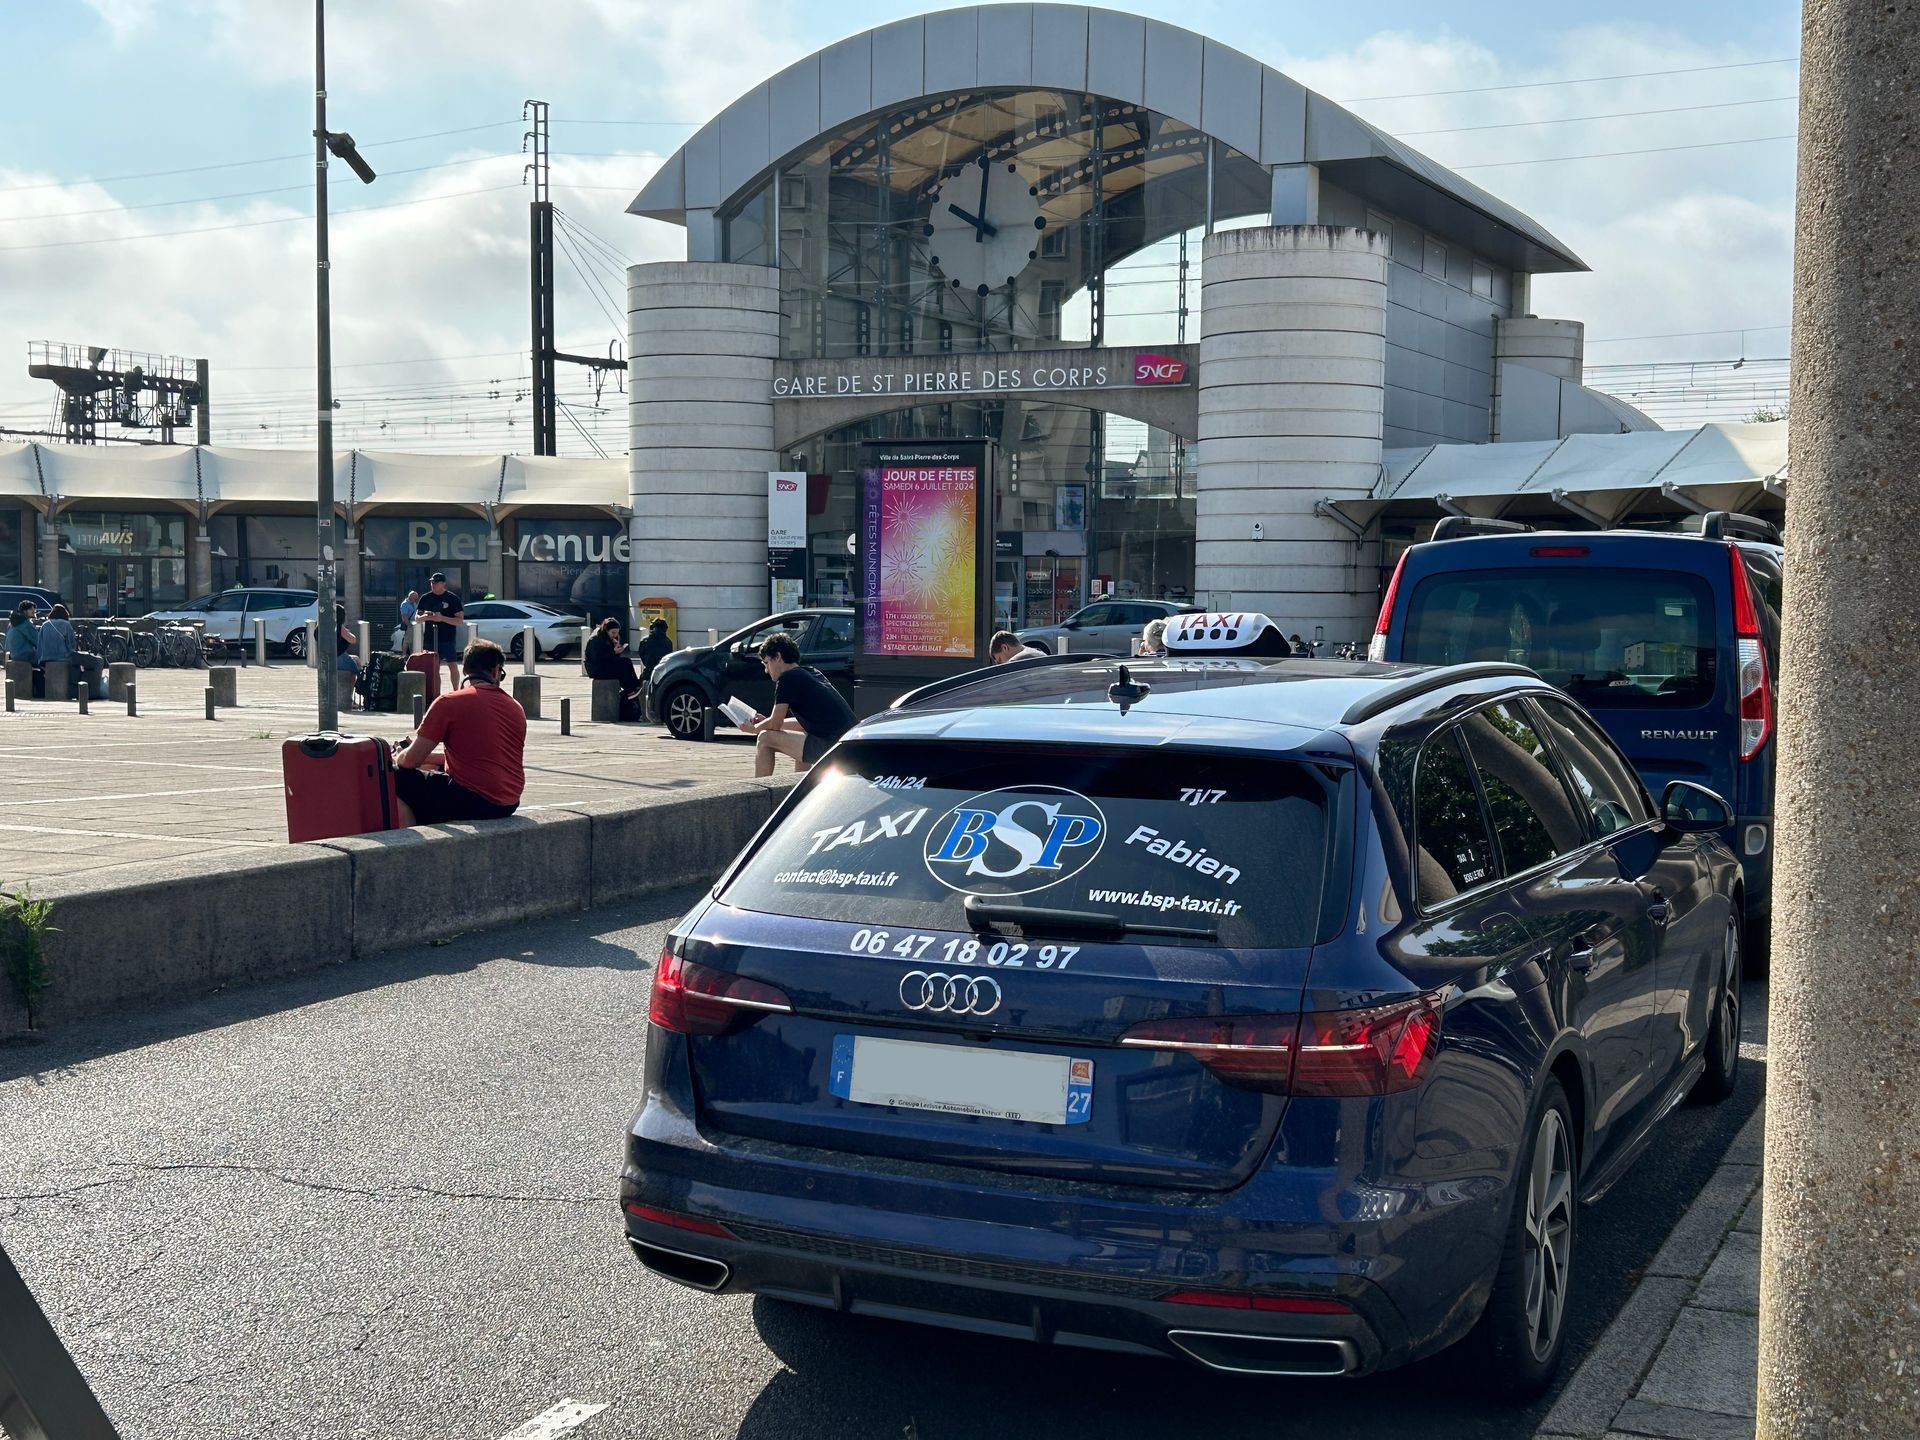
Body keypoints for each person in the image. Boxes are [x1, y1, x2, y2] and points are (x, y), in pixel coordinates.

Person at [392, 639, 526, 825]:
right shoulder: (516, 708)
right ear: (496, 671)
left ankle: (408, 837)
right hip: (508, 802)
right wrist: (429, 760)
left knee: (391, 777)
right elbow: (478, 758)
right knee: (432, 773)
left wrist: (398, 756)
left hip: (472, 799)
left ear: (466, 671)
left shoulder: (449, 702)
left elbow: (410, 761)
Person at [741, 632, 854, 777]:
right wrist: (766, 722)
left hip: (831, 746)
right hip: (847, 745)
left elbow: (775, 724)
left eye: (766, 663)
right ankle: (801, 790)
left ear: (777, 657)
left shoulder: (787, 678)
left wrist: (754, 729)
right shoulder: (811, 672)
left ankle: (759, 792)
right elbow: (800, 723)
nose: (765, 670)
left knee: (764, 738)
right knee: (803, 733)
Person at [34, 604, 104, 697]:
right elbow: (71, 645)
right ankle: (89, 690)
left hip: (45, 658)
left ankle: (77, 685)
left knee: (76, 665)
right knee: (97, 661)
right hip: (63, 657)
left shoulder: (44, 625)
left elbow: (39, 645)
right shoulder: (66, 624)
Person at [414, 572, 465, 692]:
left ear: (443, 584)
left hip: (447, 638)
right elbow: (417, 618)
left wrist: (442, 618)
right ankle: (436, 693)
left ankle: (455, 690)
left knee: (452, 664)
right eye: (432, 582)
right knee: (433, 667)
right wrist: (427, 616)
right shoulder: (425, 598)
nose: (433, 584)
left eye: (435, 582)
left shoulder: (452, 598)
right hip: (430, 638)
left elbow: (459, 620)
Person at [583, 617, 643, 720]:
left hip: (604, 666)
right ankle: (631, 689)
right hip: (596, 669)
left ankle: (632, 688)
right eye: (613, 632)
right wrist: (613, 652)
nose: (615, 635)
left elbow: (611, 659)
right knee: (625, 663)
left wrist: (617, 650)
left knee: (625, 664)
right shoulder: (596, 639)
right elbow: (598, 658)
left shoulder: (609, 638)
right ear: (606, 630)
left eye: (617, 632)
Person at [334, 604, 362, 708]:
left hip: (330, 657)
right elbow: (353, 639)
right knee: (356, 669)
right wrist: (348, 632)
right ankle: (351, 696)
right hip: (339, 657)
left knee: (356, 658)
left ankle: (351, 697)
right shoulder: (339, 627)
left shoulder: (322, 625)